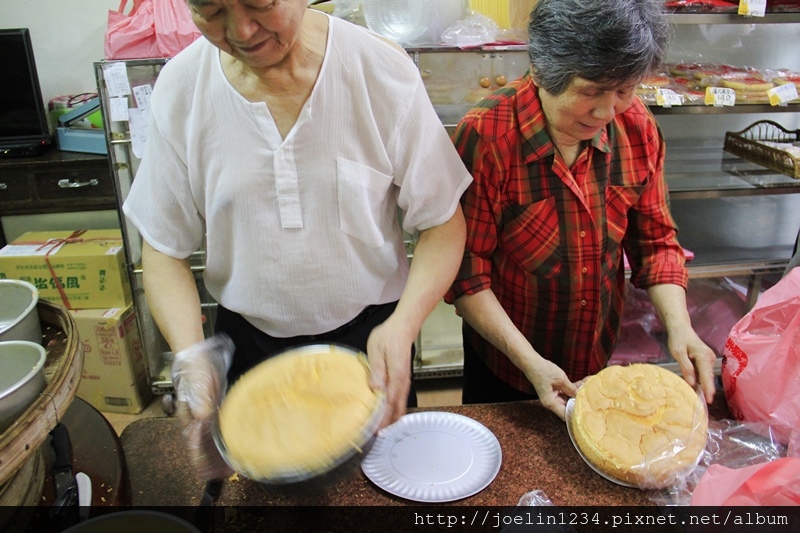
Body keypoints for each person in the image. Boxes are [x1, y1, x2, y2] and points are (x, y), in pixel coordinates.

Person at [122, 0, 471, 481]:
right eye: (211, 10)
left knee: (380, 490)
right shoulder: (183, 89)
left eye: (259, 4)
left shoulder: (378, 71)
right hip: (247, 351)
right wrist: (189, 354)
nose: (241, 30)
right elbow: (162, 248)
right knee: (266, 504)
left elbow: (442, 224)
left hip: (371, 342)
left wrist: (405, 325)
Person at [445, 0, 717, 420]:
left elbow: (657, 243)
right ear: (541, 72)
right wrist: (530, 362)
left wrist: (681, 329)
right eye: (590, 91)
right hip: (507, 362)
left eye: (624, 91)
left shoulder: (637, 127)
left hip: (595, 355)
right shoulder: (488, 136)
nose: (607, 112)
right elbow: (466, 271)